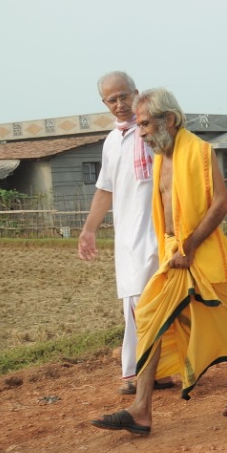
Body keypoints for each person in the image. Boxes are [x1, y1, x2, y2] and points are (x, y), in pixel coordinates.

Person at [92, 89, 227, 435]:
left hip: (200, 255)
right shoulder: (160, 157)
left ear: (169, 120)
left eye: (145, 124)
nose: (141, 132)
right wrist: (175, 249)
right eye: (138, 126)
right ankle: (141, 409)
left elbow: (221, 203)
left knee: (221, 328)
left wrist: (191, 245)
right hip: (173, 254)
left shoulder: (199, 150)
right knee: (151, 317)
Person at [78, 72, 172, 394]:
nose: (120, 104)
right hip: (128, 237)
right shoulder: (111, 141)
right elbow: (106, 189)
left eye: (124, 96)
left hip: (160, 230)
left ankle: (149, 369)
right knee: (136, 301)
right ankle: (145, 371)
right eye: (112, 99)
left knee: (156, 301)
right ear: (104, 103)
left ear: (136, 93)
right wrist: (89, 229)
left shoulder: (154, 132)